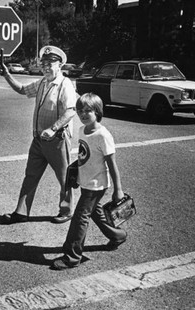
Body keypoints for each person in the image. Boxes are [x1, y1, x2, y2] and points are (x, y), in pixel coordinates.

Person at [0, 45, 77, 224]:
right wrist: (7, 75)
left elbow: (71, 111)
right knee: (31, 175)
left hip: (57, 140)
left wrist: (54, 128)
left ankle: (66, 210)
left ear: (60, 65)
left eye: (51, 63)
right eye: (44, 63)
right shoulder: (42, 82)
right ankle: (21, 212)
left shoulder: (65, 84)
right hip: (38, 139)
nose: (46, 67)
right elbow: (22, 89)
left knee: (64, 177)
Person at [52, 93, 127, 270]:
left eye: (88, 110)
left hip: (97, 185)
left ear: (98, 111)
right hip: (86, 181)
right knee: (94, 212)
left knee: (80, 218)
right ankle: (118, 235)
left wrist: (118, 189)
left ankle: (72, 256)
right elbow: (84, 156)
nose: (83, 114)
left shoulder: (103, 135)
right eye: (80, 111)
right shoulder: (81, 131)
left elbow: (112, 164)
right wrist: (76, 174)